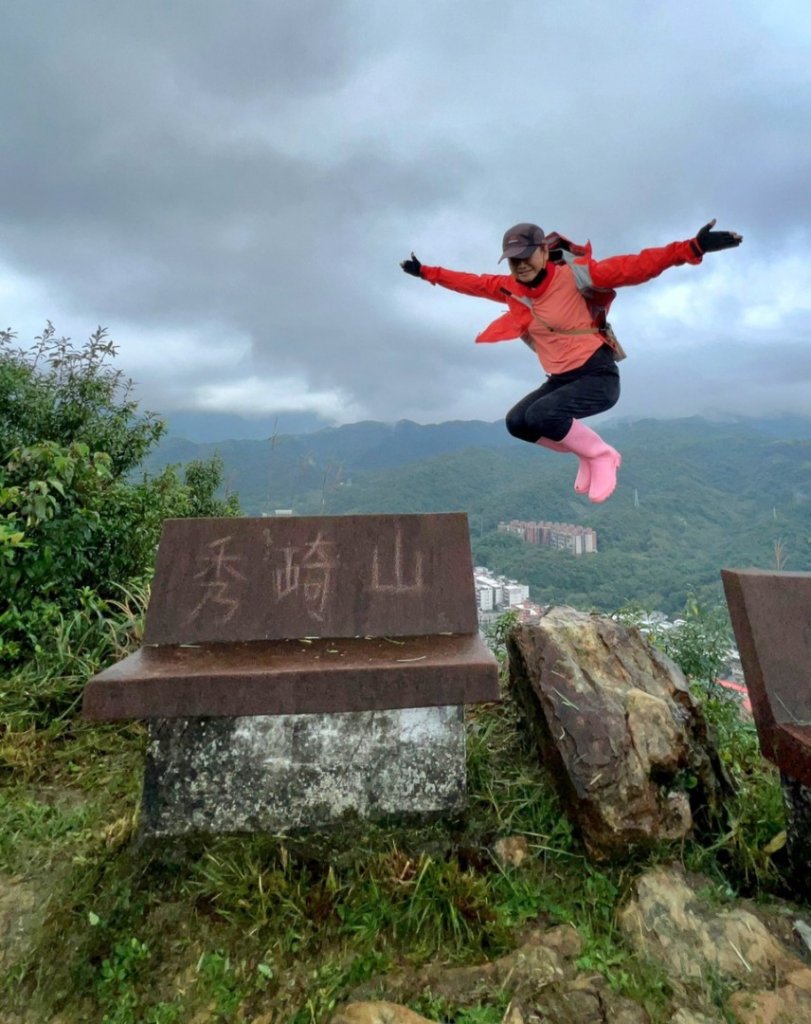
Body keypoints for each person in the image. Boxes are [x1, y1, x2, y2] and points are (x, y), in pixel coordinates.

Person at [400, 219, 742, 502]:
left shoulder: (578, 276)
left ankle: (602, 454)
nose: (520, 265)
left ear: (544, 251)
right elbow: (470, 283)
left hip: (597, 376)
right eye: (512, 259)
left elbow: (637, 266)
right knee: (518, 422)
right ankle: (585, 452)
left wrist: (692, 248)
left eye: (526, 256)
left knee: (544, 415)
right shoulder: (510, 288)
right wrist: (425, 272)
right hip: (561, 379)